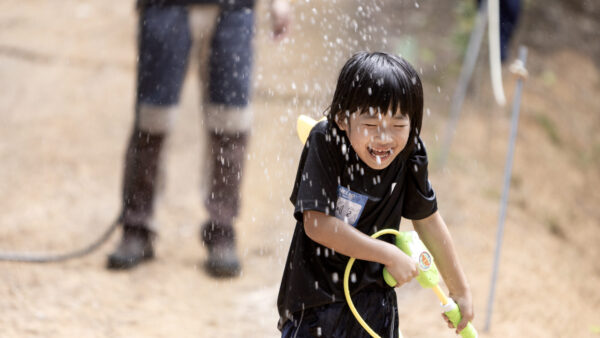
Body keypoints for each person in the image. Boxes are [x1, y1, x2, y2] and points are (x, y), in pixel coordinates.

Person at [276, 52, 474, 337]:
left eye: (398, 125)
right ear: (343, 119)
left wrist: (460, 289)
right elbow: (317, 224)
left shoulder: (410, 153)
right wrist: (388, 254)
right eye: (370, 125)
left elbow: (427, 220)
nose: (384, 138)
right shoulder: (327, 140)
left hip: (375, 303)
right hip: (316, 302)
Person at [107, 0, 292, 277]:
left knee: (231, 122)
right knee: (152, 119)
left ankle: (222, 227)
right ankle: (137, 226)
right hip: (164, 6)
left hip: (234, 8)